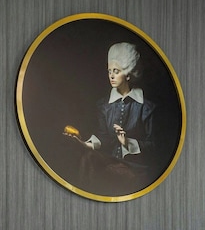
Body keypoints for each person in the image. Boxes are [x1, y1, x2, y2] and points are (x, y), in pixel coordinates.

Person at [64, 42, 159, 187]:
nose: (111, 76)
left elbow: (154, 146)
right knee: (88, 157)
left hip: (136, 167)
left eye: (116, 71)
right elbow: (105, 138)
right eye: (109, 71)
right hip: (112, 161)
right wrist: (84, 144)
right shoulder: (104, 105)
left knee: (103, 170)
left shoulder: (146, 107)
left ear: (128, 74)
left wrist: (127, 142)